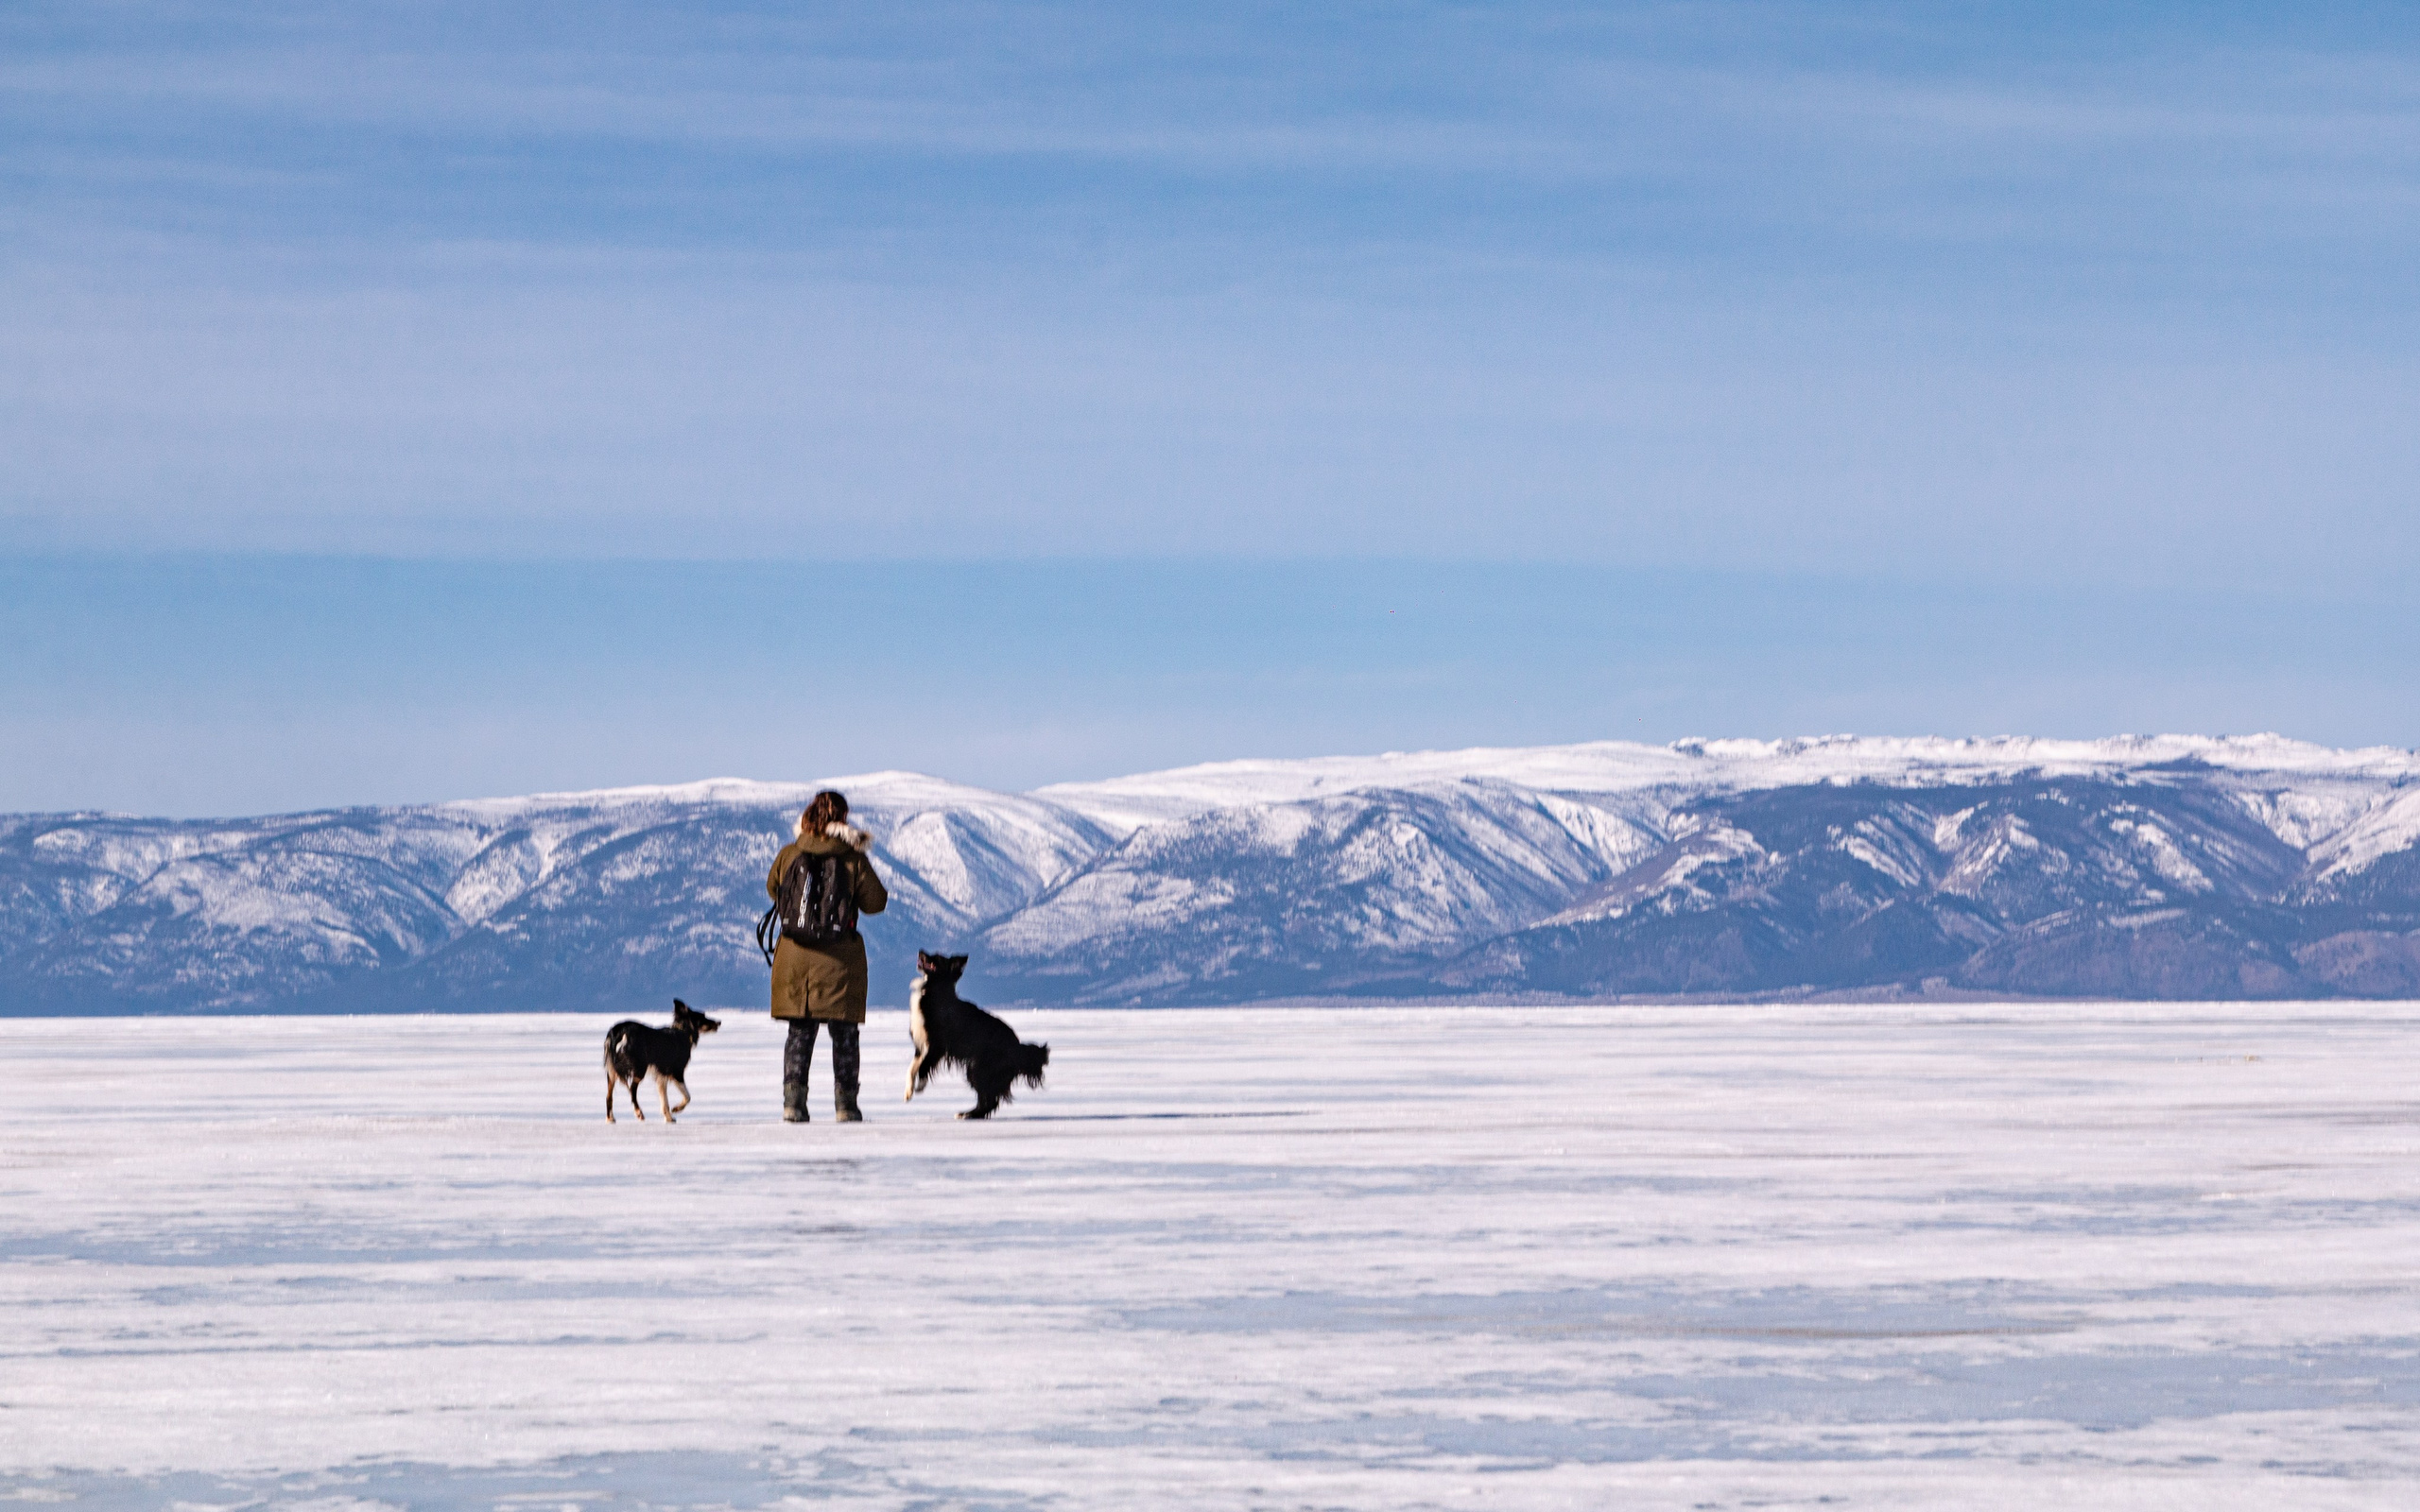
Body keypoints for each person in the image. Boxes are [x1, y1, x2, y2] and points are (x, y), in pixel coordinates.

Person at [766, 789, 889, 1122]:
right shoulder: (853, 858)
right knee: (845, 1035)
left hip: (795, 959)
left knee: (799, 1033)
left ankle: (793, 1104)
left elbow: (772, 889)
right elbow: (876, 903)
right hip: (840, 961)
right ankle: (846, 1106)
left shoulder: (789, 854)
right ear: (843, 819)